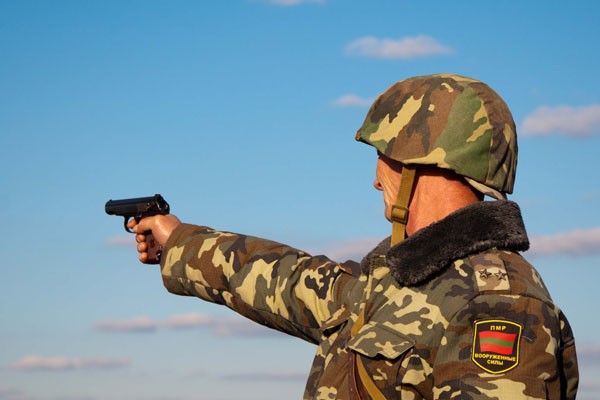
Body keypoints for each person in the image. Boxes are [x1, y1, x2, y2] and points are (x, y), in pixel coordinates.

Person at [130, 74, 579, 399]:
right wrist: (178, 240)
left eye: (384, 155)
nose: (376, 178)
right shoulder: (394, 281)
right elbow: (284, 279)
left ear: (418, 164)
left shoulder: (499, 304)